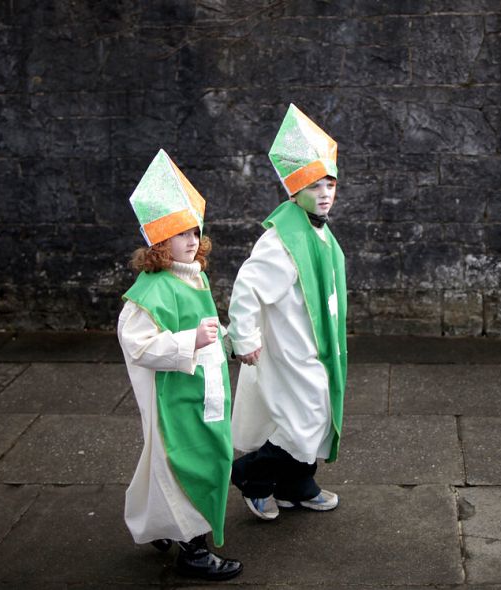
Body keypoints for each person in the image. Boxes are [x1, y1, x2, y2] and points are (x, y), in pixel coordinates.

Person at [117, 149, 242, 581]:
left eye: (195, 231)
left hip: (202, 388)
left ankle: (161, 526)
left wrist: (225, 340)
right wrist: (191, 341)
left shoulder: (192, 274)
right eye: (180, 234)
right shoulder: (152, 290)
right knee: (192, 462)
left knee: (186, 461)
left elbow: (204, 323)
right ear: (159, 242)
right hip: (178, 396)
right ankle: (193, 550)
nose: (192, 241)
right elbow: (137, 344)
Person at [228, 103, 347, 521]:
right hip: (289, 348)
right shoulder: (282, 240)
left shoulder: (321, 234)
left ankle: (297, 485)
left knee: (319, 415)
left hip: (316, 346)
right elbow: (248, 286)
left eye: (331, 184)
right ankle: (251, 477)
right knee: (305, 419)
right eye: (316, 186)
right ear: (295, 191)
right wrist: (243, 339)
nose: (326, 193)